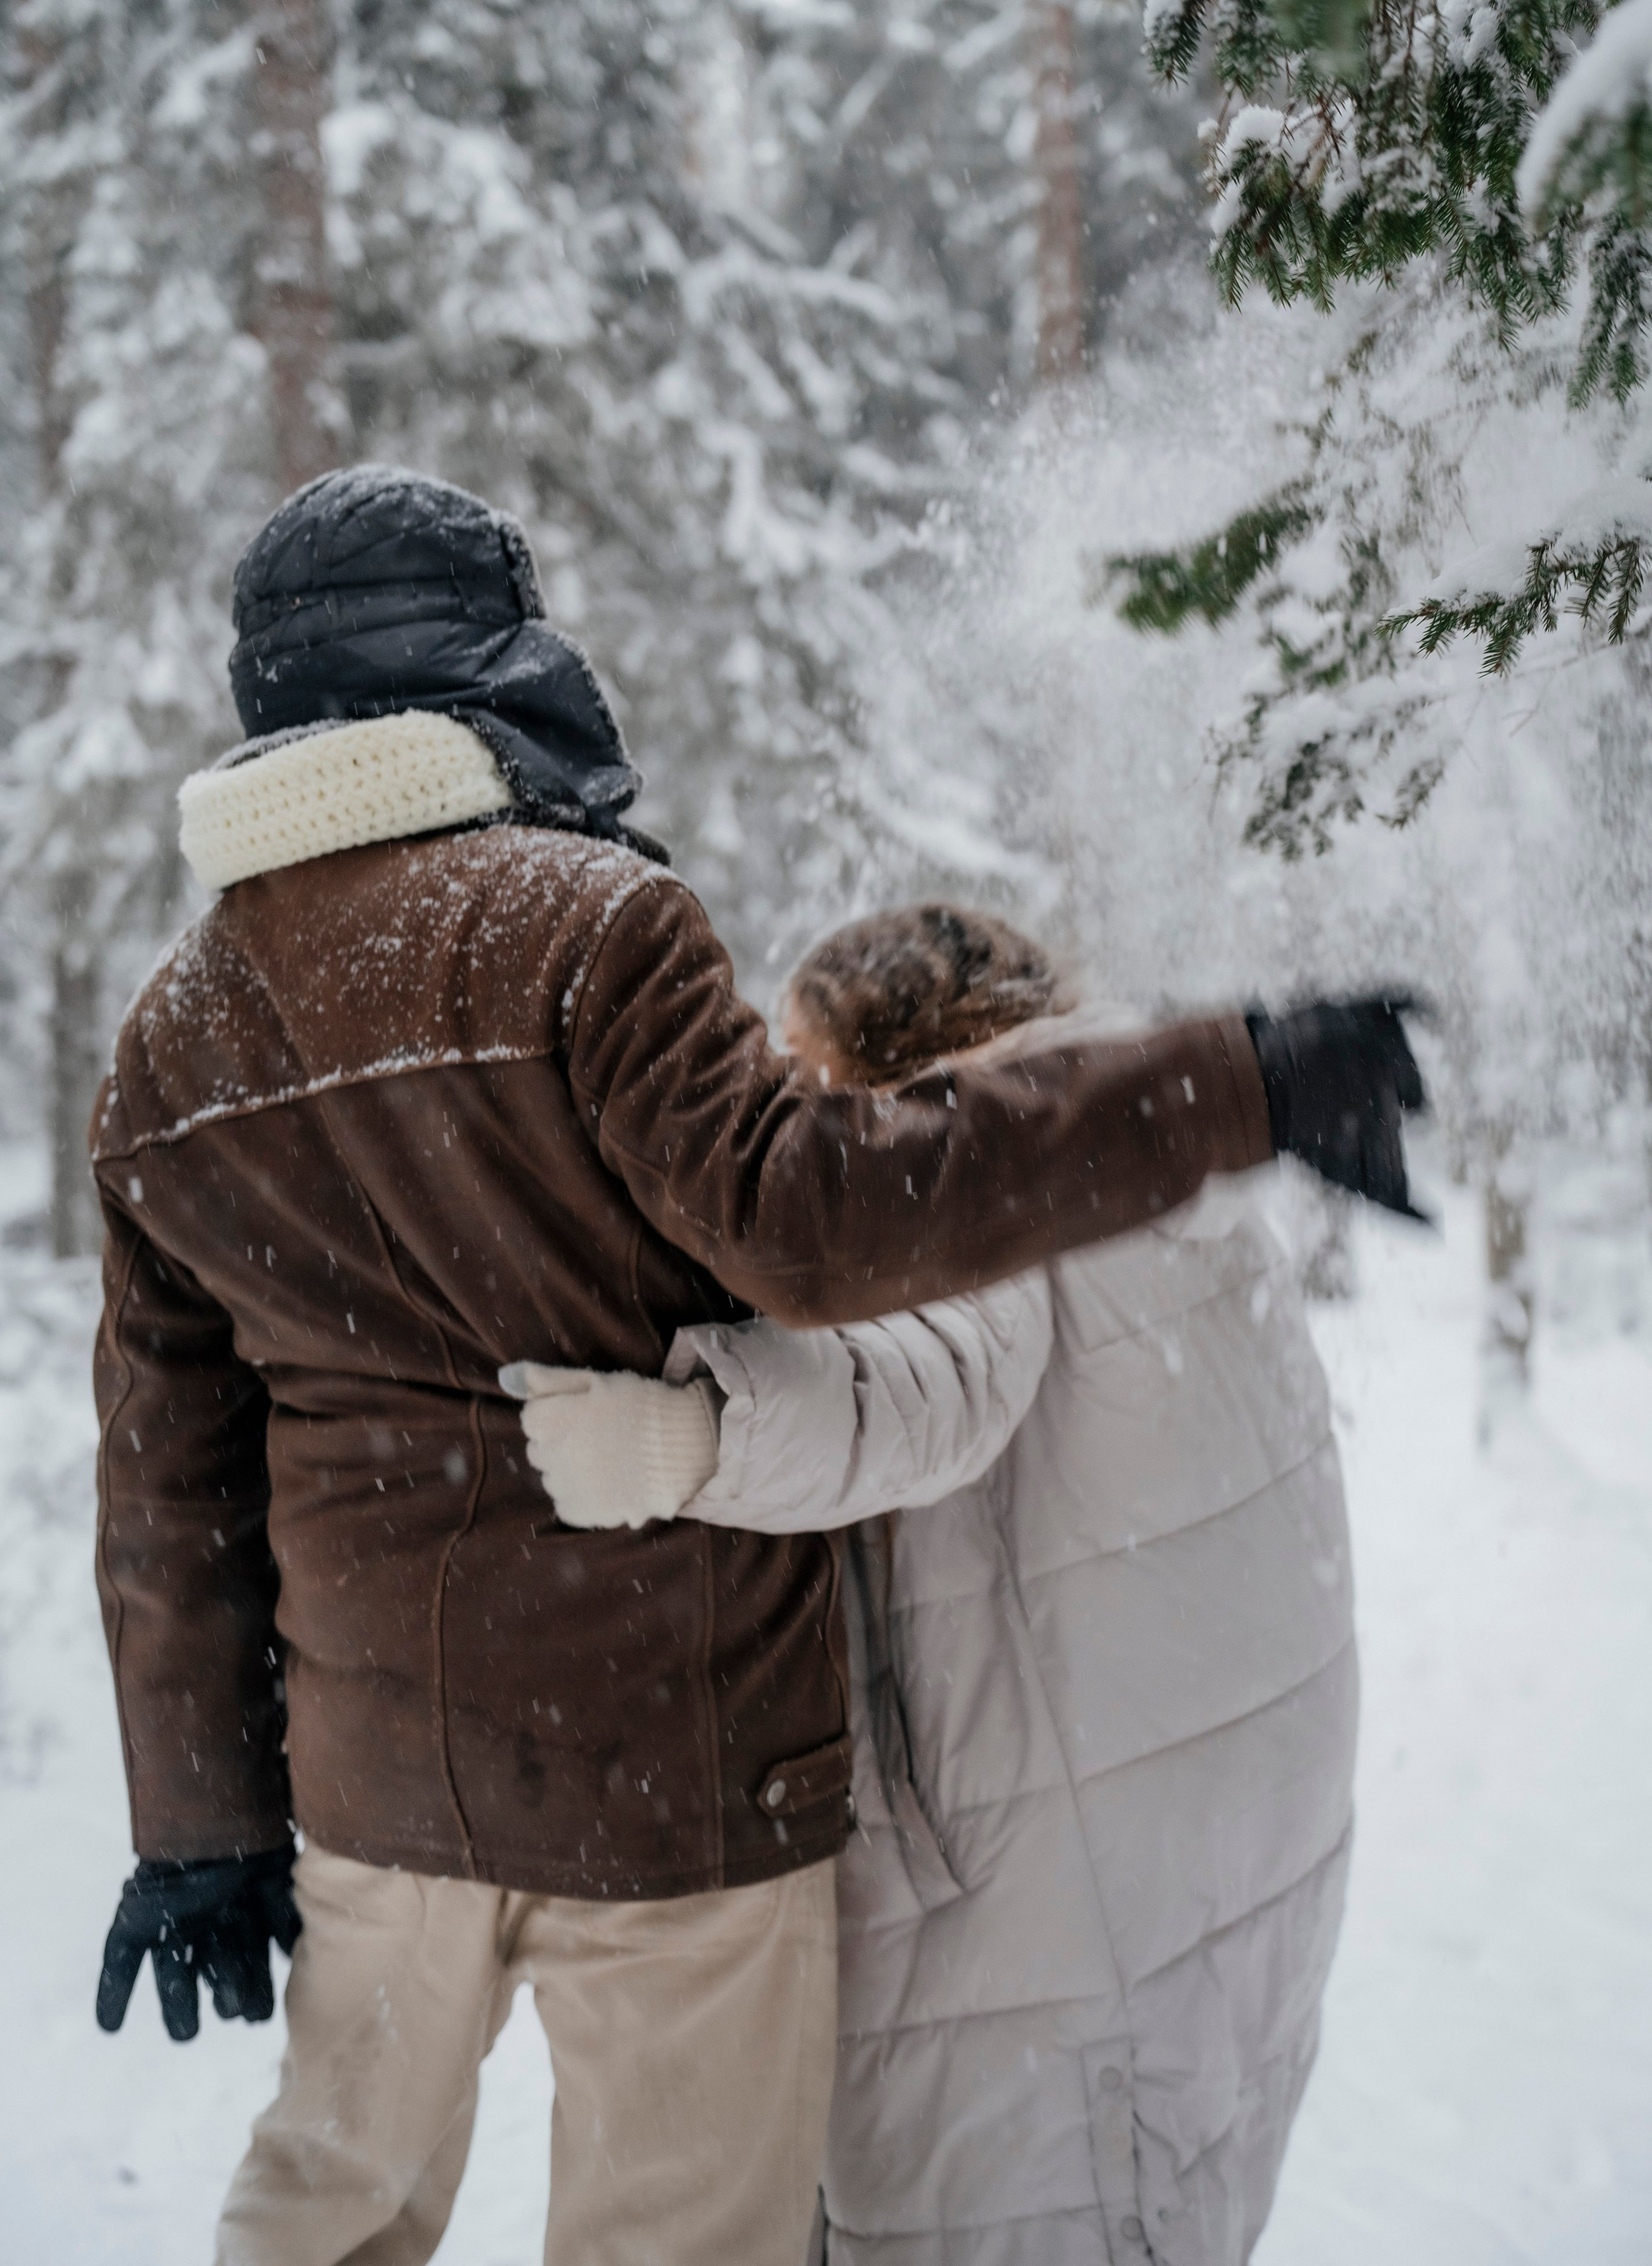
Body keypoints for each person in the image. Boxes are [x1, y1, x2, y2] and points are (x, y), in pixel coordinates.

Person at [88, 465, 1422, 2266]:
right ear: (486, 655)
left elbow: (169, 1484)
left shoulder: (172, 1043)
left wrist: (198, 1818)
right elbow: (823, 1219)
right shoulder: (585, 924)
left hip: (381, 1782)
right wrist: (1232, 1079)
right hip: (675, 1767)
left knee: (324, 2214)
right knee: (680, 2235)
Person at [512, 905, 1378, 2263]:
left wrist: (696, 1436)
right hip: (1217, 1863)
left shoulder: (984, 1175)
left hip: (1050, 1911)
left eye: (803, 1076)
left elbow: (924, 1391)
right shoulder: (1158, 1148)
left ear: (887, 1055)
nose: (794, 1118)